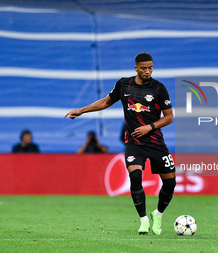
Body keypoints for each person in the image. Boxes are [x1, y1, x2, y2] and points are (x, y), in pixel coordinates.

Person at [65, 52, 175, 235]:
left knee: (170, 183)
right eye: (144, 68)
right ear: (136, 68)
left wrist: (150, 127)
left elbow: (169, 116)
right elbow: (106, 102)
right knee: (135, 177)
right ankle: (143, 220)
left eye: (150, 68)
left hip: (156, 142)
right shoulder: (124, 84)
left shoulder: (159, 88)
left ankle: (158, 214)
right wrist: (82, 110)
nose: (147, 72)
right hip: (134, 142)